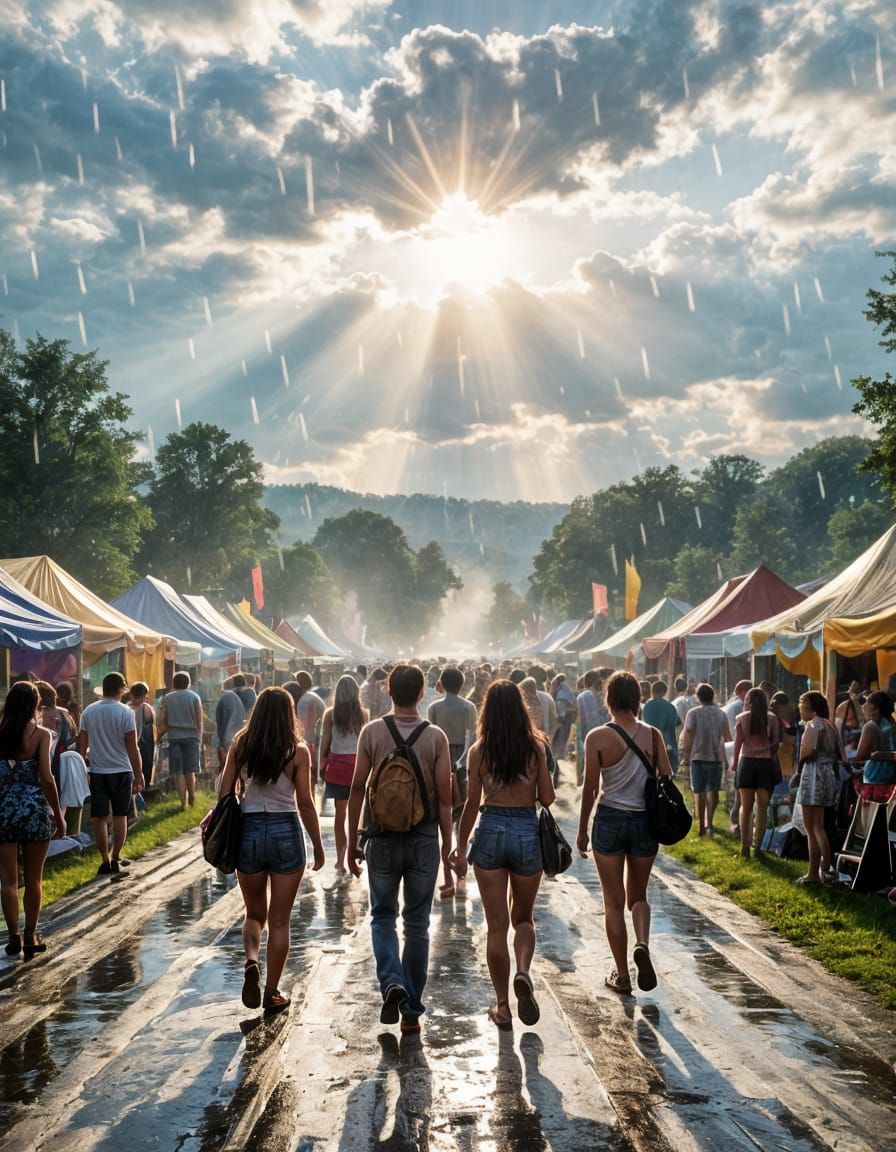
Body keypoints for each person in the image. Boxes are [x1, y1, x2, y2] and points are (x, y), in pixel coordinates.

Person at [347, 665, 453, 1034]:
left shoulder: (372, 732)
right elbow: (444, 799)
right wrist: (449, 847)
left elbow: (357, 788)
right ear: (422, 694)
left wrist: (351, 840)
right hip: (424, 838)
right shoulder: (435, 737)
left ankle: (391, 979)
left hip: (381, 838)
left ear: (389, 692)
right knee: (418, 923)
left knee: (382, 916)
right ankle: (411, 1010)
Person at [449, 680, 554, 1028]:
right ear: (522, 709)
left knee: (496, 926)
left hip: (491, 829)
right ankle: (522, 971)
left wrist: (460, 848)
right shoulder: (536, 747)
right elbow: (549, 798)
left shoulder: (480, 750)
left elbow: (470, 805)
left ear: (487, 710)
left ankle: (503, 1006)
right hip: (526, 830)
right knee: (523, 919)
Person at [219, 687, 324, 1013]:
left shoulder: (241, 745)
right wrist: (318, 846)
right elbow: (305, 802)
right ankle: (272, 992)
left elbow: (224, 794)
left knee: (254, 915)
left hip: (248, 830)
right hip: (285, 831)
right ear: (288, 713)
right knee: (280, 922)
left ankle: (252, 961)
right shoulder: (298, 750)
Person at [576, 671, 673, 994]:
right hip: (645, 820)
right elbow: (667, 775)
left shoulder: (597, 738)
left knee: (613, 902)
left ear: (609, 700)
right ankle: (642, 943)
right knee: (639, 896)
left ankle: (622, 974)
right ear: (637, 699)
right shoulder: (653, 734)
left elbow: (590, 788)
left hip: (609, 820)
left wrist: (581, 831)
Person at [0, 682, 66, 959]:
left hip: (4, 809)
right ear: (35, 705)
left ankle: (13, 935)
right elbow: (46, 778)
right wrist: (59, 816)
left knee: (8, 881)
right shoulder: (41, 735)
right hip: (33, 809)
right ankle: (30, 935)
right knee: (35, 879)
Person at [77, 672, 143, 876]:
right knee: (120, 815)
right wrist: (139, 773)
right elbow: (132, 747)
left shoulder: (88, 711)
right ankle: (116, 857)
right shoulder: (126, 712)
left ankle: (104, 860)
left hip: (97, 771)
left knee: (98, 817)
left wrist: (82, 770)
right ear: (121, 689)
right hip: (122, 770)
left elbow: (82, 747)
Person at [794, 691, 844, 886]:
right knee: (819, 825)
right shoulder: (830, 725)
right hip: (828, 773)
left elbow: (808, 750)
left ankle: (818, 870)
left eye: (803, 704)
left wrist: (799, 766)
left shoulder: (814, 724)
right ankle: (822, 869)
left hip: (814, 774)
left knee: (812, 826)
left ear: (811, 708)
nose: (800, 708)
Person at [319, 675, 367, 875]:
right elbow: (366, 743)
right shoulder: (363, 714)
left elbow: (325, 743)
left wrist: (321, 767)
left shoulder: (330, 714)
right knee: (358, 813)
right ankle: (355, 853)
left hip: (338, 767)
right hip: (358, 766)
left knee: (340, 815)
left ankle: (340, 858)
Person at [732, 689, 780, 858]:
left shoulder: (741, 718)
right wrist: (769, 753)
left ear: (748, 701)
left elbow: (738, 744)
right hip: (765, 764)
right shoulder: (772, 719)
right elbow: (776, 742)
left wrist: (734, 764)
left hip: (746, 763)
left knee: (745, 807)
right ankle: (757, 846)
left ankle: (744, 847)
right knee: (762, 806)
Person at [682, 683, 730, 836]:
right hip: (716, 757)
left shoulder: (693, 713)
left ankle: (701, 825)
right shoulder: (721, 714)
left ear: (698, 696)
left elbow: (689, 735)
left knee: (699, 791)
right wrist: (728, 759)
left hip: (698, 756)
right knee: (713, 791)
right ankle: (710, 822)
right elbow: (728, 738)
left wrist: (686, 756)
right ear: (712, 696)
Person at [157, 671, 203, 809]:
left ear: (174, 683)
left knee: (178, 772)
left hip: (174, 737)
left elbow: (161, 719)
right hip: (191, 736)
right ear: (188, 683)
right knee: (190, 770)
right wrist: (199, 736)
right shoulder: (195, 697)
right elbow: (199, 720)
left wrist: (159, 735)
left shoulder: (167, 698)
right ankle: (192, 796)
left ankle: (183, 802)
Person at [855, 690, 896, 788]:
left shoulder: (871, 726)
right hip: (892, 779)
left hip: (875, 779)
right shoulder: (893, 726)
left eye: (867, 702)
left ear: (875, 708)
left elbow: (860, 756)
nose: (863, 706)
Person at [641, 681, 680, 775]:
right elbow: (677, 723)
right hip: (667, 745)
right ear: (664, 692)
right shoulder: (670, 707)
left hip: (648, 744)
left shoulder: (646, 707)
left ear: (652, 691)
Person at [293, 671, 326, 783]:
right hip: (315, 742)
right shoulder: (311, 696)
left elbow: (305, 726)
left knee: (308, 778)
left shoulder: (305, 700)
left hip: (310, 744)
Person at [128, 682, 156, 789]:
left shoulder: (126, 707)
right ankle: (144, 789)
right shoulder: (146, 708)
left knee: (133, 767)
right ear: (144, 695)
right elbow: (151, 723)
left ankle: (135, 789)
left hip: (130, 743)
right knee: (146, 767)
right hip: (145, 743)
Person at [215, 680, 246, 776]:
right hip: (237, 737)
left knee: (226, 766)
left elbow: (221, 723)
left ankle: (225, 787)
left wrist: (221, 744)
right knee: (236, 766)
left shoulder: (223, 699)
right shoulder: (237, 699)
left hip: (227, 738)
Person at [550, 673, 576, 760]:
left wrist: (556, 721)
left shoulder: (561, 695)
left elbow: (561, 714)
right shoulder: (566, 689)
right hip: (568, 719)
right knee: (564, 738)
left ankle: (558, 757)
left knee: (561, 739)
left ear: (555, 685)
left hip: (563, 720)